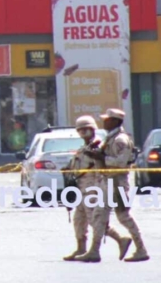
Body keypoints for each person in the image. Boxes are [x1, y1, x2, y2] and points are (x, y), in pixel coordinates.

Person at [76, 108, 149, 263]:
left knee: (124, 217)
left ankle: (141, 249)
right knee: (98, 216)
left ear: (115, 121)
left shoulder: (120, 140)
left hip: (118, 183)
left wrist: (102, 158)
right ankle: (94, 251)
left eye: (107, 119)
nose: (104, 121)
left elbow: (121, 163)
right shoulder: (110, 138)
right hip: (107, 182)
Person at [62, 115, 131, 262]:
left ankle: (120, 239)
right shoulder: (84, 148)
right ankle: (81, 248)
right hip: (81, 188)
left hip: (93, 187)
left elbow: (101, 163)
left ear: (93, 129)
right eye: (81, 130)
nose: (84, 133)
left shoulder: (98, 146)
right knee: (79, 220)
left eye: (86, 129)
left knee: (95, 220)